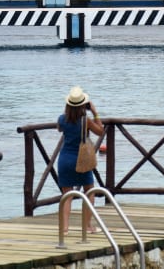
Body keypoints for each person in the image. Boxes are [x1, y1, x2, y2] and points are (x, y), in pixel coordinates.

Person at [57, 86, 104, 234]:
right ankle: (87, 225)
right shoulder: (86, 121)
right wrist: (95, 113)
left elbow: (59, 128)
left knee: (67, 195)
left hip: (64, 159)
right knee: (89, 191)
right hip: (81, 160)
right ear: (84, 105)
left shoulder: (62, 119)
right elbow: (101, 131)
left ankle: (64, 228)